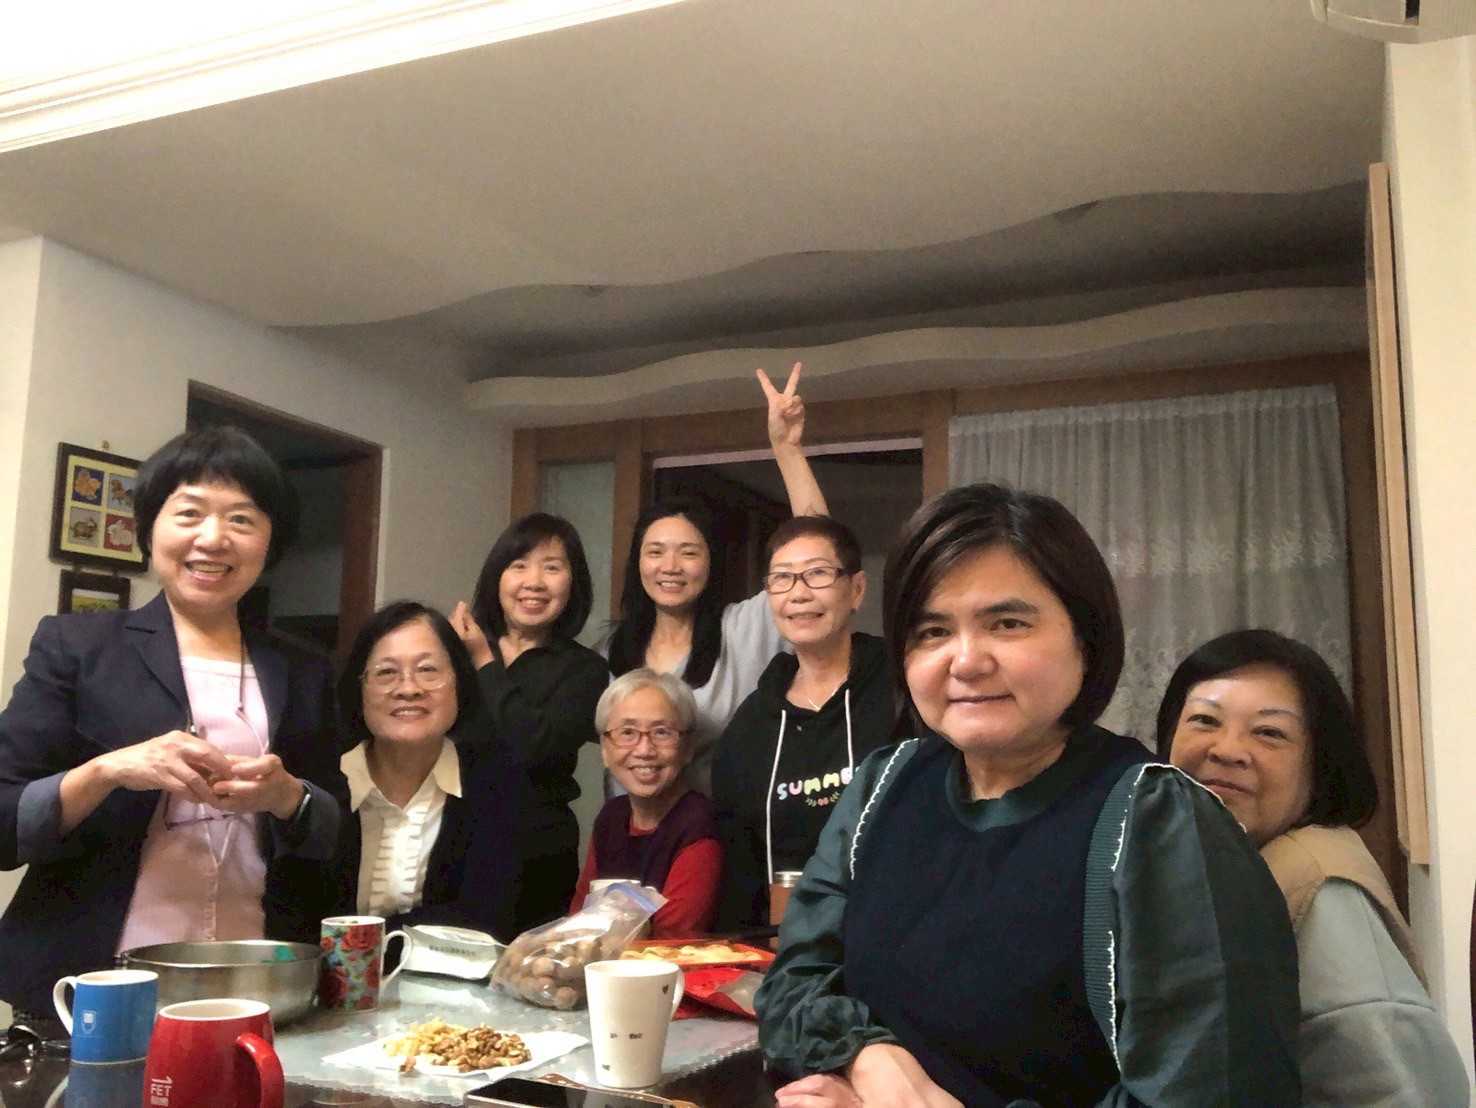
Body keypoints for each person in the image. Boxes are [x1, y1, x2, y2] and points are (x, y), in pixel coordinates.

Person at [756, 483, 1302, 1108]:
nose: (965, 661)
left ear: (1085, 639)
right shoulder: (882, 786)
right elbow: (792, 983)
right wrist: (871, 1060)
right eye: (932, 631)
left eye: (1007, 623)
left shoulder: (1160, 824)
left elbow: (1218, 1090)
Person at [0, 427, 343, 1022]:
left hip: (256, 980)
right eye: (189, 513)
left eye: (241, 519)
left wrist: (288, 796)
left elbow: (335, 835)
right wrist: (108, 771)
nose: (213, 538)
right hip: (91, 984)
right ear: (149, 528)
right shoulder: (77, 648)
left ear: (269, 542)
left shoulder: (303, 668)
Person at [1156, 630, 1469, 1108]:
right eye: (1204, 720)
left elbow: (1403, 1093)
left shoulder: (1316, 880)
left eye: (1269, 733)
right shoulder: (1229, 867)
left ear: (1319, 764)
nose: (1227, 749)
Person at [606, 363, 827, 793]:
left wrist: (787, 450)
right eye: (655, 552)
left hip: (721, 827)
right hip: (628, 828)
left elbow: (816, 548)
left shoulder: (742, 630)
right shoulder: (612, 650)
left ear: (711, 564)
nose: (670, 566)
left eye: (689, 552)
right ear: (638, 563)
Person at [712, 515, 895, 930]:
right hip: (784, 946)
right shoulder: (751, 726)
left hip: (894, 938)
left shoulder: (906, 692)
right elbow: (739, 863)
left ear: (857, 589)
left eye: (817, 574)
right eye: (782, 578)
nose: (798, 593)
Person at [322, 601, 523, 941]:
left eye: (428, 670)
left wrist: (358, 942)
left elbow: (484, 921)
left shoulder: (497, 785)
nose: (409, 688)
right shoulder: (320, 783)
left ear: (459, 682)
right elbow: (294, 920)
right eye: (386, 672)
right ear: (360, 688)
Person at [449, 513, 605, 930]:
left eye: (552, 567)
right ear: (497, 577)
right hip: (454, 840)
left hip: (538, 852)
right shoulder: (454, 653)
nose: (534, 582)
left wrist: (483, 661)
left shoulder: (585, 670)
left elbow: (534, 746)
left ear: (573, 583)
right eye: (519, 565)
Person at [570, 670, 721, 938]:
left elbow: (674, 940)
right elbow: (579, 920)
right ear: (604, 749)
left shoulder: (700, 825)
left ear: (687, 748)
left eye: (662, 733)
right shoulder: (612, 816)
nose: (644, 750)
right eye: (627, 732)